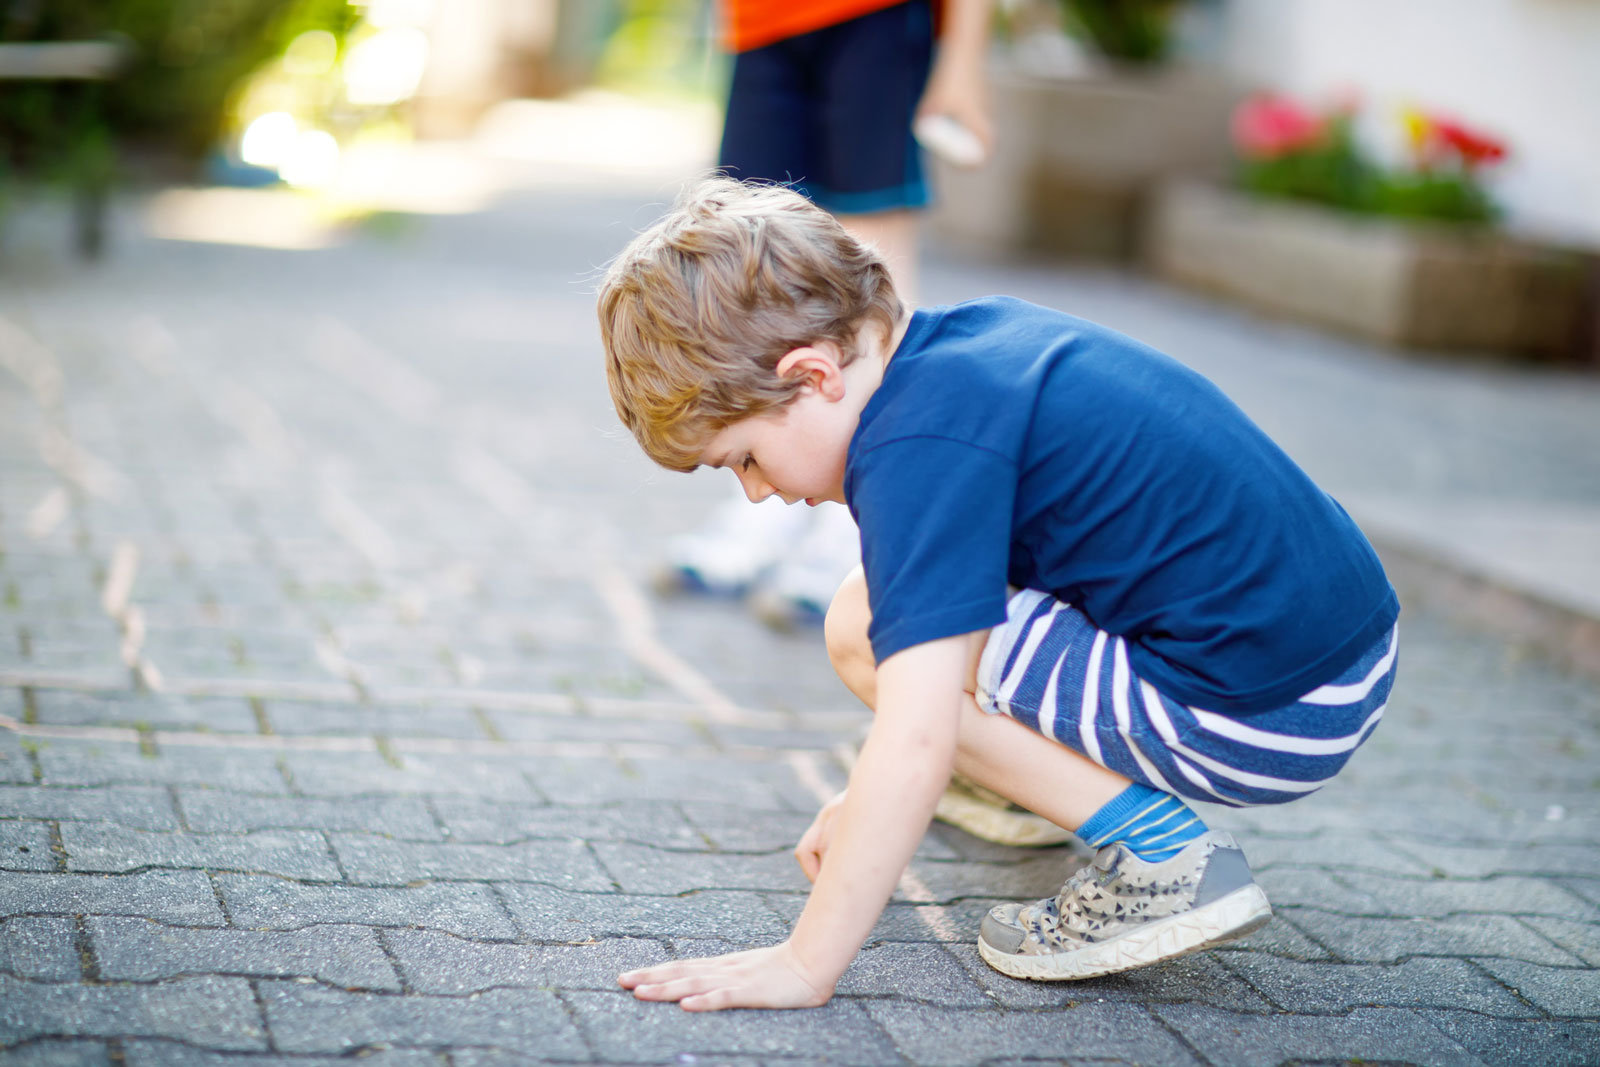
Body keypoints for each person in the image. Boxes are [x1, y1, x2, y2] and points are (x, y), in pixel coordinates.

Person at [596, 178, 1400, 1009]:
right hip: (1342, 649)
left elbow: (913, 735)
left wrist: (804, 963)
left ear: (813, 375)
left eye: (744, 459)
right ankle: (1016, 776)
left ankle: (1163, 859)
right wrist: (876, 793)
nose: (758, 494)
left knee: (864, 625)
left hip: (1274, 712)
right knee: (905, 611)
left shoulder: (914, 451)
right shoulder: (973, 347)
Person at [656, 0, 994, 631]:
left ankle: (857, 522)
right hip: (758, 20)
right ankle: (761, 505)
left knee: (874, 261)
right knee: (749, 256)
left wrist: (963, 59)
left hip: (877, 18)